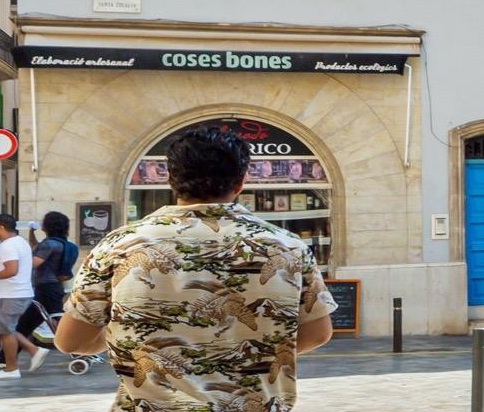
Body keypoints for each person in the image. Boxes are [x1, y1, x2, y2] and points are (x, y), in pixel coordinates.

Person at [55, 124, 335, 408]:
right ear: (241, 182)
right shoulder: (288, 246)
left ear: (170, 180)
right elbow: (317, 333)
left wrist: (130, 338)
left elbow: (71, 342)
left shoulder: (118, 245)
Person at [0, 213, 43, 382]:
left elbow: (12, 270)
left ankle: (12, 368)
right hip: (12, 293)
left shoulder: (8, 246)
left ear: (1, 227)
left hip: (13, 293)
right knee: (3, 328)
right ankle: (33, 351)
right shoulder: (18, 242)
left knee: (4, 330)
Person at [17, 209, 79, 350]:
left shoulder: (49, 244)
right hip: (54, 286)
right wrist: (31, 232)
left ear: (49, 225)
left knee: (57, 321)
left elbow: (33, 262)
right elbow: (36, 247)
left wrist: (12, 263)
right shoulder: (61, 244)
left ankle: (78, 348)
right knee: (27, 323)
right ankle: (6, 357)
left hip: (46, 288)